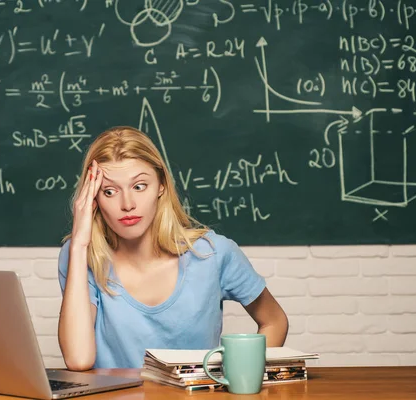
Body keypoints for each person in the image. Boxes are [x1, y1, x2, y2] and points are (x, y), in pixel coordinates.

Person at [57, 126, 288, 371]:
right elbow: (78, 359)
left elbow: (275, 321)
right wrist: (81, 244)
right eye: (110, 191)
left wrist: (242, 377)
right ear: (93, 198)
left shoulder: (213, 253)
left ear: (161, 186)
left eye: (139, 186)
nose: (127, 204)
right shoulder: (80, 256)